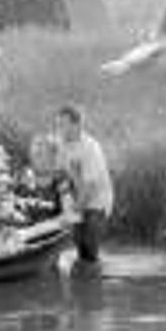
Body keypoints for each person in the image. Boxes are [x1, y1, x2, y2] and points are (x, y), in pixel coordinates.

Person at [54, 106, 113, 266]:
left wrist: (72, 213)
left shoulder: (91, 148)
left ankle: (94, 280)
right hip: (76, 199)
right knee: (80, 248)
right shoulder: (60, 145)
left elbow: (90, 188)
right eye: (58, 125)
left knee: (90, 249)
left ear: (78, 125)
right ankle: (83, 279)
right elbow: (60, 176)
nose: (60, 130)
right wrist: (65, 206)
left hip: (97, 202)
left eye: (64, 125)